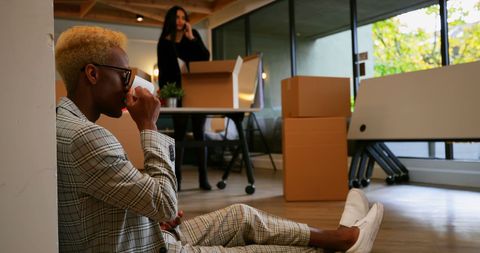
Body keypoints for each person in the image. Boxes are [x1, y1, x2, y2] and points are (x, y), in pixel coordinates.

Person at [55, 25, 383, 253]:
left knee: (242, 214)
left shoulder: (63, 120)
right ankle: (346, 240)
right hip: (144, 247)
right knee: (259, 249)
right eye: (124, 75)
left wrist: (157, 214)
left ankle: (339, 236)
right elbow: (165, 202)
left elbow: (121, 198)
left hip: (142, 233)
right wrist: (148, 127)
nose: (129, 86)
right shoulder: (87, 137)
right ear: (93, 74)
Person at [157, 5, 211, 191]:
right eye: (177, 17)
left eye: (183, 17)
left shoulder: (193, 36)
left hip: (197, 91)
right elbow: (163, 72)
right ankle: (177, 178)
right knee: (178, 136)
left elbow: (205, 58)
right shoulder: (164, 42)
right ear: (171, 19)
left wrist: (191, 38)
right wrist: (165, 93)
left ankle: (203, 178)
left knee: (200, 135)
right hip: (177, 94)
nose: (180, 20)